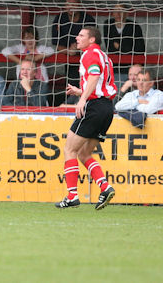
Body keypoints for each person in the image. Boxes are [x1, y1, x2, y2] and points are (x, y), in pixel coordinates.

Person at [55, 26, 117, 210]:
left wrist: (82, 99)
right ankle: (105, 187)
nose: (77, 37)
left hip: (94, 107)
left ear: (92, 40)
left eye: (81, 35)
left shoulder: (89, 54)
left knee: (69, 150)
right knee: (84, 153)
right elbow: (101, 88)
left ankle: (72, 196)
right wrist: (81, 91)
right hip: (106, 108)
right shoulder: (104, 56)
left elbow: (95, 76)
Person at [51, 0, 96, 86]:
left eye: (74, 3)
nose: (71, 6)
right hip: (69, 60)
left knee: (88, 84)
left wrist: (79, 47)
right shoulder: (60, 19)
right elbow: (56, 43)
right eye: (69, 3)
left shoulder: (88, 19)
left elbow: (95, 41)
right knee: (72, 85)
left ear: (80, 5)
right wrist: (69, 51)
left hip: (87, 58)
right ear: (65, 6)